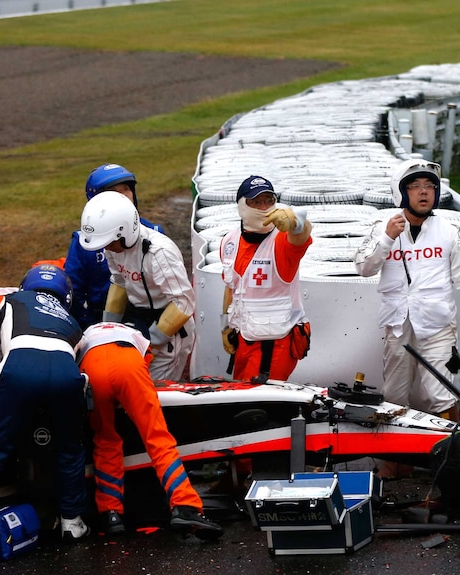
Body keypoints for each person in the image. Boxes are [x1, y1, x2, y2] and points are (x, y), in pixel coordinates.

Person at [0, 264, 90, 560]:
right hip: (66, 374)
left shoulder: (11, 301)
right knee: (70, 450)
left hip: (18, 369)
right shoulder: (71, 318)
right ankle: (71, 522)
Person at [354, 158, 460, 428]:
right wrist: (388, 238)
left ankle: (451, 455)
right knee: (394, 395)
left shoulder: (449, 231)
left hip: (438, 327)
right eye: (415, 186)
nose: (424, 191)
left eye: (429, 186)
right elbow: (363, 267)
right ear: (401, 192)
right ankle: (394, 463)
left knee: (442, 393)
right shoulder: (382, 227)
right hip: (398, 327)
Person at [77, 321, 223, 540]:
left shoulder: (87, 331)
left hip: (91, 365)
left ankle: (111, 514)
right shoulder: (136, 333)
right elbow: (147, 364)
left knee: (105, 441)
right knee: (157, 438)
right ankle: (185, 506)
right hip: (128, 362)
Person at [78, 191, 194, 381]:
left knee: (155, 389)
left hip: (169, 332)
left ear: (125, 231)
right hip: (139, 323)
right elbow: (119, 281)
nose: (106, 248)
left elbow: (184, 302)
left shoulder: (159, 253)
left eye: (109, 242)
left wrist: (152, 342)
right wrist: (107, 329)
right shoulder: (114, 247)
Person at [219, 175, 313, 382]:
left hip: (274, 344)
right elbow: (230, 287)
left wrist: (296, 223)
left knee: (261, 404)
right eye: (256, 202)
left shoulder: (282, 240)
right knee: (240, 398)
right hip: (243, 339)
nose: (263, 207)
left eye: (269, 201)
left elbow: (302, 235)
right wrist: (226, 325)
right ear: (242, 206)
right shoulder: (228, 241)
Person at [65, 163, 165, 330]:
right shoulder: (83, 243)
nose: (123, 196)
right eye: (114, 192)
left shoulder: (154, 235)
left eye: (126, 189)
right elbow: (74, 291)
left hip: (147, 321)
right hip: (98, 320)